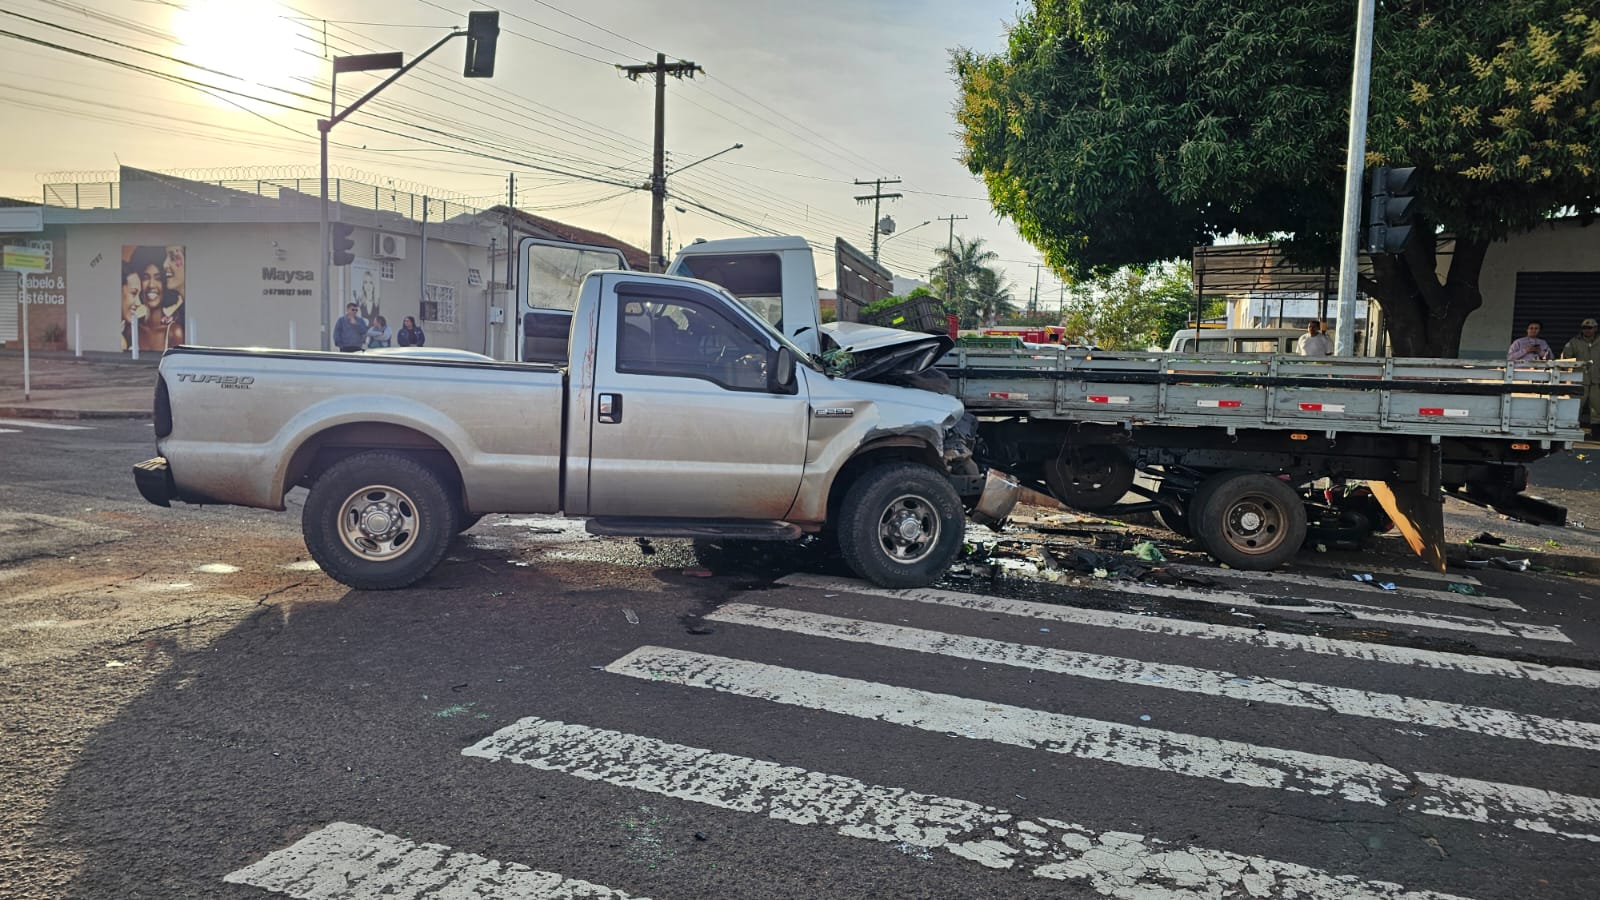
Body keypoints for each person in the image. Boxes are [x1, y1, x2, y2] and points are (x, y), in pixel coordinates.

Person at [130, 246, 184, 351]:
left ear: (165, 283)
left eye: (158, 278)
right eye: (145, 278)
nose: (151, 285)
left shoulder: (174, 332)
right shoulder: (131, 329)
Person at [1561, 317, 1600, 437]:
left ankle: (1597, 433)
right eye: (1585, 328)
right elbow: (1565, 358)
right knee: (1575, 407)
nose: (1587, 330)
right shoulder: (1574, 342)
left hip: (1597, 381)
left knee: (1597, 408)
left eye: (1590, 328)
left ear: (1595, 329)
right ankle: (1571, 431)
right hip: (1579, 380)